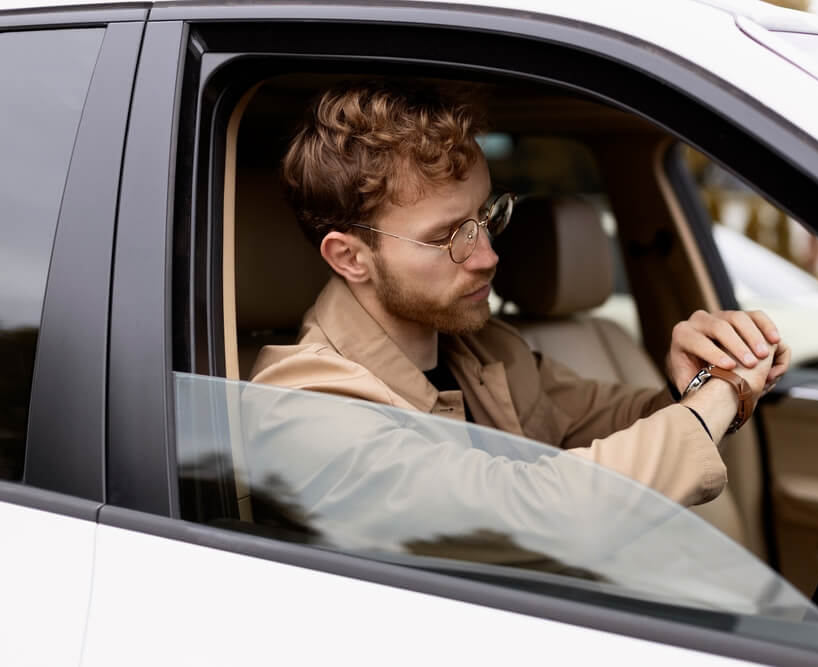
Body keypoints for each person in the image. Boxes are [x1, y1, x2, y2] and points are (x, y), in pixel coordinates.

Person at [250, 80, 790, 509]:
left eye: (484, 216)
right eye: (446, 237)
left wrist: (703, 376)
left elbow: (613, 418)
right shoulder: (302, 405)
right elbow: (526, 510)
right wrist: (720, 396)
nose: (488, 255)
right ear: (350, 257)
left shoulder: (483, 349)